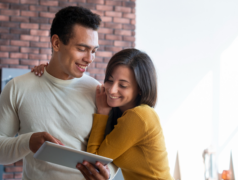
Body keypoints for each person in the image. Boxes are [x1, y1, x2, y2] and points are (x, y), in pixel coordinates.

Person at [0, 6, 116, 180]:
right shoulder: (18, 87)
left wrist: (108, 174)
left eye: (94, 51)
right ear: (56, 43)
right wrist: (27, 142)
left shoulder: (98, 92)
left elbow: (114, 151)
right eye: (82, 49)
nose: (89, 59)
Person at [33, 48, 174, 180]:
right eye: (110, 80)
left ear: (140, 89)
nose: (112, 90)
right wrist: (47, 72)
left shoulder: (139, 116)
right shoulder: (120, 111)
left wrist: (102, 113)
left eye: (123, 85)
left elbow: (95, 160)